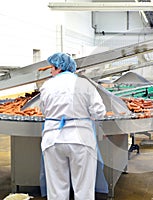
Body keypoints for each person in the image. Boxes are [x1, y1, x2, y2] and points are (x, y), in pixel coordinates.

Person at [39, 53, 106, 199]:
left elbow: (44, 110)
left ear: (58, 67)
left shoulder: (47, 85)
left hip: (53, 140)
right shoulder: (84, 84)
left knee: (56, 189)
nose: (50, 71)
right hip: (81, 140)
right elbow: (99, 112)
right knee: (83, 188)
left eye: (51, 68)